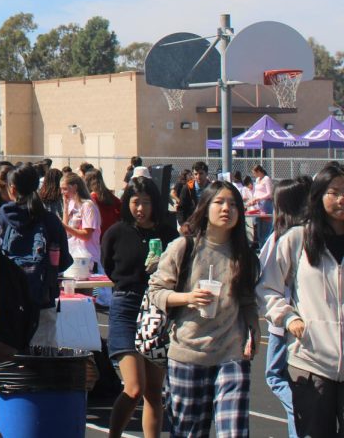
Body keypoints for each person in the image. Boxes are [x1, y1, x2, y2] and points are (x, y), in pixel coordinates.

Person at [147, 181, 259, 438]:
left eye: (233, 204)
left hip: (231, 353)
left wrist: (254, 327)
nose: (226, 209)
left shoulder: (245, 254)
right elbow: (155, 292)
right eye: (219, 202)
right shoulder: (183, 247)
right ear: (205, 207)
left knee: (234, 432)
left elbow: (248, 300)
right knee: (188, 432)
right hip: (189, 353)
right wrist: (188, 297)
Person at [259, 169, 344, 437]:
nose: (342, 199)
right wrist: (288, 317)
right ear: (318, 196)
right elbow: (267, 288)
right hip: (311, 361)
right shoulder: (297, 239)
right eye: (335, 192)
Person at [101, 177, 179, 438]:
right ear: (127, 203)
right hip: (126, 304)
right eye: (136, 202)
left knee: (154, 391)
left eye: (146, 202)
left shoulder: (168, 233)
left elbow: (180, 266)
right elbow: (109, 267)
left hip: (157, 308)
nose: (141, 208)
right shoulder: (116, 232)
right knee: (134, 387)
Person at [253, 176, 310, 438]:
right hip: (295, 321)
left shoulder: (284, 237)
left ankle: (303, 414)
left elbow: (264, 277)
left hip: (283, 323)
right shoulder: (311, 234)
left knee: (276, 377)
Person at [0, 165, 72, 342]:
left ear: (12, 189)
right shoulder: (50, 220)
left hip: (8, 300)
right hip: (43, 298)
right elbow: (63, 261)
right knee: (43, 361)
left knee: (9, 360)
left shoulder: (1, 218)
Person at [61, 172, 108, 306]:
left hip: (88, 258)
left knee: (86, 299)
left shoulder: (88, 206)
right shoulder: (71, 205)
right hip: (73, 257)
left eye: (65, 188)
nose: (63, 192)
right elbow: (67, 232)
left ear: (75, 187)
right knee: (71, 298)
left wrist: (64, 226)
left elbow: (86, 234)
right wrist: (65, 208)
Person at [178, 161, 210, 229]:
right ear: (192, 175)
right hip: (191, 226)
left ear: (206, 174)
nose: (198, 176)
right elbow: (181, 208)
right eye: (195, 174)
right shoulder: (187, 188)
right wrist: (183, 225)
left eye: (201, 173)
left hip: (208, 226)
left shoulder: (212, 188)